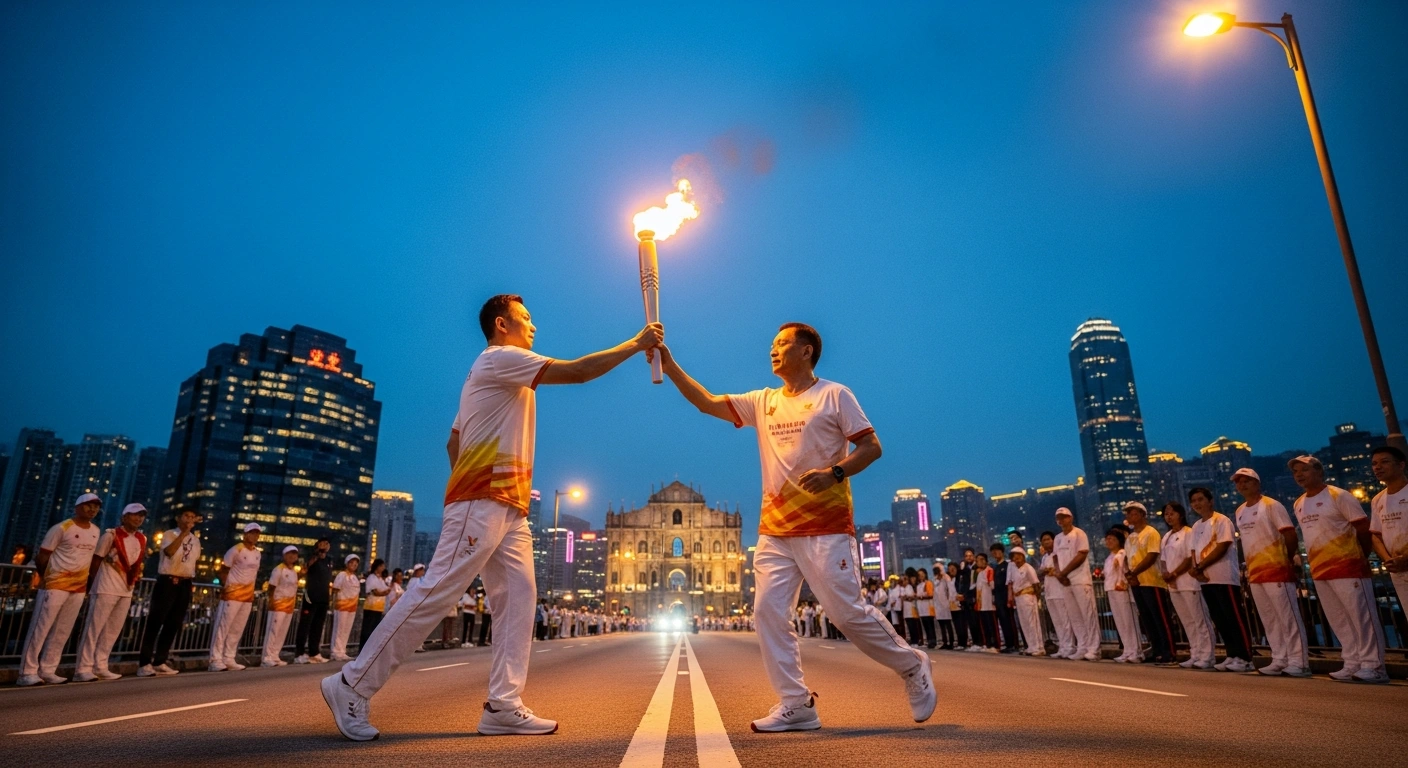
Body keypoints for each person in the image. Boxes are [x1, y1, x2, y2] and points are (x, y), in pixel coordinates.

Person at [322, 294, 662, 740]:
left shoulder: (489, 374)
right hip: (483, 500)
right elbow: (577, 371)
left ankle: (503, 704)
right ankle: (351, 683)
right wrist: (637, 344)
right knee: (437, 591)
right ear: (502, 325)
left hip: (510, 507)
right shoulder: (500, 359)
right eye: (526, 318)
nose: (534, 326)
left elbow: (452, 443)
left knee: (519, 598)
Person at [655, 322, 934, 731]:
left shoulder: (834, 395)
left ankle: (912, 665)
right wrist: (669, 361)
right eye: (772, 344)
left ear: (806, 352)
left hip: (825, 525)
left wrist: (835, 472)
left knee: (846, 614)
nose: (773, 350)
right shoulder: (762, 401)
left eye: (783, 343)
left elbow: (872, 447)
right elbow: (706, 402)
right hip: (775, 530)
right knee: (767, 612)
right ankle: (796, 702)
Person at [1289, 455, 1387, 683]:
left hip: (1349, 567)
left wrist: (1360, 557)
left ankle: (1374, 666)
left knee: (1362, 617)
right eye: (1295, 472)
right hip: (1320, 571)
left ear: (1319, 471)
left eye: (1304, 470)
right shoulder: (1299, 503)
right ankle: (1352, 661)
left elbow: (1363, 529)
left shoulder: (1338, 495)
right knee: (1339, 619)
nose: (1299, 475)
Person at [17, 493, 102, 686]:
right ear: (77, 507)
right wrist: (48, 579)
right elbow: (42, 557)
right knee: (40, 628)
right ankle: (27, 672)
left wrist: (87, 584)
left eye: (96, 506)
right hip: (55, 586)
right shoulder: (62, 528)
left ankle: (48, 669)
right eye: (88, 505)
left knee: (62, 630)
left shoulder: (96, 531)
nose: (92, 509)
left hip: (78, 588)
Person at [1231, 468, 1310, 677]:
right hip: (1255, 572)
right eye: (1238, 482)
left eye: (1247, 481)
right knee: (1270, 618)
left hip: (1277, 569)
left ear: (1257, 483)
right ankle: (1279, 658)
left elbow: (1289, 533)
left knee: (1287, 617)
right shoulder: (1240, 511)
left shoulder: (1271, 505)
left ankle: (1299, 661)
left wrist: (1286, 558)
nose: (1242, 485)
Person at [75, 502, 148, 682]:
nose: (138, 518)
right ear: (124, 517)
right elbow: (96, 561)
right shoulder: (111, 535)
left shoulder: (142, 539)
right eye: (134, 514)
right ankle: (82, 668)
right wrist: (90, 585)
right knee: (94, 628)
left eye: (141, 515)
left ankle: (100, 665)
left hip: (126, 588)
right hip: (106, 587)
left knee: (112, 630)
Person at [1187, 486, 1254, 673]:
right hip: (1206, 580)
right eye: (1194, 501)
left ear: (1210, 500)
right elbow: (1194, 551)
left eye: (1200, 499)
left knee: (1233, 617)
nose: (1197, 504)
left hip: (1224, 576)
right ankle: (1232, 655)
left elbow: (1223, 546)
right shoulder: (1196, 526)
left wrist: (1200, 566)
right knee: (1220, 619)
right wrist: (1196, 569)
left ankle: (1245, 657)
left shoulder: (1221, 520)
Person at [137, 508, 202, 677]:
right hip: (168, 581)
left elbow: (193, 561)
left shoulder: (195, 540)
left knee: (174, 623)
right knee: (155, 621)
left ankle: (160, 660)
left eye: (192, 516)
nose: (190, 519)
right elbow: (169, 552)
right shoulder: (169, 534)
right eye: (186, 516)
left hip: (185, 582)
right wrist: (184, 533)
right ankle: (144, 662)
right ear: (178, 518)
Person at [1159, 503, 1215, 670]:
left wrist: (1174, 573)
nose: (1169, 516)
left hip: (1189, 583)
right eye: (1166, 514)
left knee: (1200, 620)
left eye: (1172, 513)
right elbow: (1163, 560)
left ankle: (1207, 655)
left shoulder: (1189, 533)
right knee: (1187, 621)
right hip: (1174, 585)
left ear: (1181, 514)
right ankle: (1195, 653)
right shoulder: (1167, 536)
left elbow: (1189, 557)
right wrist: (1166, 575)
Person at [1123, 502, 1177, 666]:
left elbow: (1151, 556)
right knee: (1147, 619)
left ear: (1141, 514)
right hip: (1137, 583)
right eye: (1127, 514)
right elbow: (1128, 558)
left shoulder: (1151, 533)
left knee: (1160, 617)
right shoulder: (1131, 536)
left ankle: (1169, 652)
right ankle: (1157, 650)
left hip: (1152, 581)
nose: (1128, 516)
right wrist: (1129, 574)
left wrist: (1134, 572)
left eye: (1131, 513)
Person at [209, 522, 263, 672]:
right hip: (232, 595)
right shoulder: (235, 550)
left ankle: (229, 657)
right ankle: (215, 659)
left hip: (247, 597)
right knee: (223, 627)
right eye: (252, 533)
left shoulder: (257, 553)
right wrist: (227, 588)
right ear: (245, 534)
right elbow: (223, 570)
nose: (255, 536)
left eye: (257, 533)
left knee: (237, 629)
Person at [1052, 508, 1100, 661]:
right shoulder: (1058, 538)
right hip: (1065, 582)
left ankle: (1094, 648)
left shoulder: (1079, 533)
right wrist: (1059, 573)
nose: (1061, 520)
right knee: (1075, 616)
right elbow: (1055, 558)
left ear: (1070, 518)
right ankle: (1082, 646)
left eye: (1064, 517)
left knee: (1088, 614)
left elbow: (1082, 554)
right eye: (1059, 518)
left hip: (1080, 579)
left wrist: (1064, 572)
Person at [1369, 447, 1408, 610]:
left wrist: (1405, 558)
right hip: (1397, 569)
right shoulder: (1378, 500)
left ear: (1401, 465)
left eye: (1384, 462)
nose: (1377, 467)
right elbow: (1375, 535)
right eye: (1374, 464)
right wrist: (1388, 559)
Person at [1103, 527, 1141, 663]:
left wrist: (1123, 583)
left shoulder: (1123, 553)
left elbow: (1126, 570)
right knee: (1120, 622)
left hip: (1122, 590)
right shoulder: (1109, 557)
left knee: (1128, 621)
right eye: (1107, 539)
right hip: (1111, 590)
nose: (1109, 541)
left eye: (1112, 539)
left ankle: (1136, 652)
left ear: (1119, 541)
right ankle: (1127, 650)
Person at [296, 537, 334, 664]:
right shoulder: (311, 557)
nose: (325, 545)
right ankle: (299, 653)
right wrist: (316, 556)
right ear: (317, 545)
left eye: (327, 543)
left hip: (323, 597)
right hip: (311, 596)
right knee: (305, 624)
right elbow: (304, 569)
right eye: (322, 543)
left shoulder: (329, 560)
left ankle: (314, 652)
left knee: (318, 626)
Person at [262, 545, 301, 667]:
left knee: (282, 632)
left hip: (289, 606)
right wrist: (271, 601)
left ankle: (275, 655)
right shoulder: (279, 569)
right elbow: (272, 587)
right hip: (278, 604)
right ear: (284, 555)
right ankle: (266, 657)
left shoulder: (294, 571)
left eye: (294, 554)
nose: (292, 556)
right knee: (273, 631)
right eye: (290, 554)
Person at [1038, 531, 1072, 658]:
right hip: (1049, 592)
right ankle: (1062, 646)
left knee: (1065, 620)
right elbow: (1041, 571)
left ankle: (1070, 646)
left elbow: (1062, 569)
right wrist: (1044, 571)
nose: (1046, 542)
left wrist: (1052, 571)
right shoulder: (1045, 557)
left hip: (1060, 591)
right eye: (1043, 540)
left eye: (1048, 539)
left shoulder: (1058, 554)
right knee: (1057, 621)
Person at [1007, 549, 1043, 656]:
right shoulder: (1013, 569)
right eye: (1014, 556)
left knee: (1032, 622)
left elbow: (1036, 584)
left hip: (1028, 597)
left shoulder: (1028, 568)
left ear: (1023, 556)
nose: (1016, 558)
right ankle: (1031, 646)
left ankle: (1038, 647)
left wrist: (1037, 599)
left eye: (1018, 555)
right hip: (1018, 598)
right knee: (1024, 623)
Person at [330, 554, 362, 661]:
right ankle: (335, 652)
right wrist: (332, 605)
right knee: (339, 629)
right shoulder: (341, 575)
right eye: (352, 562)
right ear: (347, 563)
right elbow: (335, 590)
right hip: (341, 606)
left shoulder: (355, 578)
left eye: (356, 563)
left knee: (346, 630)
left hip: (351, 608)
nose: (354, 565)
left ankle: (342, 651)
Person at [988, 544, 1017, 653]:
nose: (995, 553)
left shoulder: (1008, 565)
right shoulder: (995, 567)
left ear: (1002, 552)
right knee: (1003, 622)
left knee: (1009, 621)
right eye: (993, 551)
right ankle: (1008, 644)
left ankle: (1014, 644)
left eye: (997, 551)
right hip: (998, 599)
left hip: (1006, 597)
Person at [971, 553, 998, 653]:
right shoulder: (979, 573)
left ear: (986, 560)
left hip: (989, 603)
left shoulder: (989, 570)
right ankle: (987, 644)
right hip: (981, 603)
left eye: (982, 559)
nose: (980, 562)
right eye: (978, 560)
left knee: (991, 625)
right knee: (984, 625)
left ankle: (995, 645)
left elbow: (992, 585)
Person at [361, 559, 390, 647]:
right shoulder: (371, 578)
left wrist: (383, 592)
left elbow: (387, 590)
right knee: (368, 629)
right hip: (371, 607)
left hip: (379, 607)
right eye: (381, 566)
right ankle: (363, 649)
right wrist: (383, 593)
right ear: (377, 567)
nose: (383, 568)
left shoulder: (380, 579)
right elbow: (375, 592)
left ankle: (371, 648)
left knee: (374, 629)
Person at [956, 548, 976, 650]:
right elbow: (961, 582)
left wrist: (967, 594)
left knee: (975, 621)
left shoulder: (975, 568)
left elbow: (973, 585)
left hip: (973, 597)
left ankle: (979, 642)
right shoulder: (964, 569)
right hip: (965, 598)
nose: (968, 557)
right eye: (966, 556)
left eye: (970, 555)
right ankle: (974, 642)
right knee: (969, 622)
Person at [934, 564, 956, 650]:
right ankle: (945, 642)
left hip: (946, 604)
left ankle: (951, 642)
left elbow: (950, 590)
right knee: (942, 625)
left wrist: (950, 601)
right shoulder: (935, 580)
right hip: (938, 605)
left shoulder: (946, 578)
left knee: (948, 624)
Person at [916, 568, 937, 649]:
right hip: (922, 609)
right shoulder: (919, 585)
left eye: (922, 574)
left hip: (928, 607)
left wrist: (921, 596)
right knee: (925, 625)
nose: (921, 576)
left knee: (930, 625)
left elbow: (930, 594)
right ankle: (929, 640)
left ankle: (933, 641)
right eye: (919, 575)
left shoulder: (928, 583)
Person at [900, 570, 921, 646]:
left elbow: (911, 597)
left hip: (911, 609)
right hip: (906, 611)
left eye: (905, 580)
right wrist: (905, 598)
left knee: (913, 626)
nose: (903, 582)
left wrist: (906, 598)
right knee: (909, 626)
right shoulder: (903, 588)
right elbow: (902, 597)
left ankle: (916, 640)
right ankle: (912, 640)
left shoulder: (909, 587)